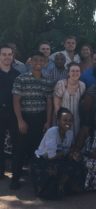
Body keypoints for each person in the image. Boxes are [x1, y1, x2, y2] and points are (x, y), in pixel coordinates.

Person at [11, 52, 53, 189]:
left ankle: (36, 179)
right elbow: (16, 100)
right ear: (30, 62)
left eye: (41, 60)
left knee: (38, 150)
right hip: (25, 117)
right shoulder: (21, 78)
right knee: (20, 149)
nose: (38, 63)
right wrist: (20, 120)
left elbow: (49, 103)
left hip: (40, 119)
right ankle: (15, 179)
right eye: (35, 60)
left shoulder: (47, 80)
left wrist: (47, 121)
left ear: (45, 62)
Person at [31, 108, 85, 199]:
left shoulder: (70, 133)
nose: (68, 123)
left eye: (70, 120)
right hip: (43, 160)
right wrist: (66, 154)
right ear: (58, 121)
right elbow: (51, 156)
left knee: (76, 163)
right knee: (58, 168)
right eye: (64, 120)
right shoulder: (52, 132)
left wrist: (73, 154)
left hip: (57, 158)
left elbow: (68, 150)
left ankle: (62, 186)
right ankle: (53, 189)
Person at [0, 45, 20, 179]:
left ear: (13, 56)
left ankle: (16, 174)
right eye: (4, 54)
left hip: (14, 114)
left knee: (17, 144)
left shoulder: (18, 75)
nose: (7, 57)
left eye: (9, 54)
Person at [54, 62, 86, 137]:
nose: (75, 73)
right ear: (68, 73)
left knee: (74, 139)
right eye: (72, 71)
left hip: (76, 118)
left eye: (77, 71)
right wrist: (59, 117)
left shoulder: (82, 85)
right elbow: (56, 103)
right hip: (63, 118)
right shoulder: (61, 84)